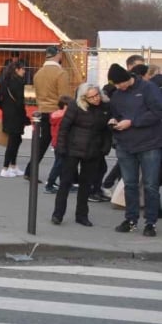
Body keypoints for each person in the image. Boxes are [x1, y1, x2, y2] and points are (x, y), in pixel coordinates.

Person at [104, 63, 162, 236]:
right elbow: (115, 113)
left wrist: (132, 122)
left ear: (126, 79)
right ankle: (130, 219)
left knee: (150, 185)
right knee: (130, 184)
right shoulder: (117, 94)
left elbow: (158, 112)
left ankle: (150, 222)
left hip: (149, 144)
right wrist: (113, 121)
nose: (117, 87)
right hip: (125, 144)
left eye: (119, 84)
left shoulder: (148, 88)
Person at [51, 83, 110, 227]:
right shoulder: (75, 106)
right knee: (65, 182)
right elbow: (64, 128)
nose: (96, 99)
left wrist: (105, 148)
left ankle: (82, 215)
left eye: (97, 95)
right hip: (72, 149)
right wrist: (61, 148)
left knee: (86, 185)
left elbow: (107, 130)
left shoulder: (105, 107)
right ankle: (58, 214)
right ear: (84, 98)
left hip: (93, 151)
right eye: (92, 97)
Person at [25, 45, 68, 180]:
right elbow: (64, 97)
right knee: (61, 145)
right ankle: (64, 176)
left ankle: (30, 170)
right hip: (57, 112)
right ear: (58, 54)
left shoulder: (38, 73)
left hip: (42, 110)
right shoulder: (61, 73)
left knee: (43, 143)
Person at [0, 59, 31, 177]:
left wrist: (5, 108)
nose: (24, 71)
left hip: (8, 115)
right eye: (23, 69)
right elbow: (20, 103)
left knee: (16, 140)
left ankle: (13, 166)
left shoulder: (5, 81)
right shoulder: (19, 82)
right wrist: (25, 118)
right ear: (17, 70)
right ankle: (5, 168)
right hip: (17, 116)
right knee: (13, 142)